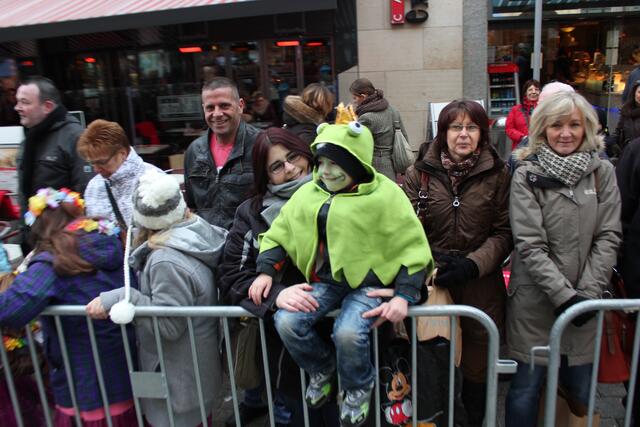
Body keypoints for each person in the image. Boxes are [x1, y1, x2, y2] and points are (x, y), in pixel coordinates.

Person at [250, 120, 433, 427]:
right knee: (287, 321)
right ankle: (322, 368)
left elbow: (413, 248)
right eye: (320, 162)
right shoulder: (309, 193)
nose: (325, 171)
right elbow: (280, 233)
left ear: (356, 162)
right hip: (327, 281)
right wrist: (266, 271)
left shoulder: (387, 195)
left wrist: (404, 294)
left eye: (335, 163)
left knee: (348, 332)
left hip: (369, 285)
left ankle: (358, 386)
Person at [505, 91, 622, 427]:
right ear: (543, 128)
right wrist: (565, 297)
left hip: (586, 302)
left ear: (587, 127)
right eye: (557, 125)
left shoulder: (602, 172)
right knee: (526, 390)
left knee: (580, 392)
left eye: (574, 124)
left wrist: (585, 295)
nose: (566, 133)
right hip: (535, 304)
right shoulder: (526, 174)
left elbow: (608, 235)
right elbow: (529, 243)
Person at [87, 170, 228, 427]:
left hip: (176, 384)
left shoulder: (166, 260)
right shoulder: (195, 234)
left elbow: (169, 325)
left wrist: (124, 297)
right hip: (190, 375)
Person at [219, 127, 339, 427]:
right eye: (276, 166)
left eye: (293, 156)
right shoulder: (252, 213)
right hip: (289, 354)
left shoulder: (344, 191)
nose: (290, 168)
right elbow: (233, 276)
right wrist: (276, 295)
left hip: (348, 340)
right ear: (266, 177)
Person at [403, 99, 512, 426]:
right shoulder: (418, 174)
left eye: (471, 127)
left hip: (481, 287)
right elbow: (405, 231)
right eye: (455, 127)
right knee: (435, 369)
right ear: (443, 132)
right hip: (434, 286)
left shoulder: (499, 174)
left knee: (477, 373)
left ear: (482, 134)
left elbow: (504, 232)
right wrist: (432, 262)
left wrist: (472, 264)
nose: (463, 134)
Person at [0, 187, 135, 426]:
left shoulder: (55, 259)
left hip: (85, 379)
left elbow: (11, 309)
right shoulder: (112, 242)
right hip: (124, 368)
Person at [183, 77, 260, 229]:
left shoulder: (261, 145)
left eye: (224, 105)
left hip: (250, 240)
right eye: (210, 108)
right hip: (207, 240)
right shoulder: (194, 151)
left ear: (240, 106)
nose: (217, 114)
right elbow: (192, 205)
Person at [14, 76, 94, 216]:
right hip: (33, 227)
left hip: (65, 228)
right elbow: (24, 195)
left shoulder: (75, 137)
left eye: (24, 102)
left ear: (48, 106)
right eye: (17, 101)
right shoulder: (30, 138)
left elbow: (87, 192)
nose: (17, 108)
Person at [77, 119, 161, 228]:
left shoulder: (155, 180)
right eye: (92, 163)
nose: (96, 169)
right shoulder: (94, 186)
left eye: (102, 162)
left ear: (122, 154)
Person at [350, 78, 410, 180]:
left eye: (355, 98)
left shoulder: (366, 118)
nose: (354, 101)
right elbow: (404, 136)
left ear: (363, 96)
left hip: (376, 166)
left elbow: (356, 144)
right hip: (393, 163)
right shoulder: (393, 110)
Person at [606, 79, 640, 160]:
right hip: (625, 153)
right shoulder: (626, 110)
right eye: (639, 92)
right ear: (634, 93)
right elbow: (618, 132)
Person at [505, 79, 540, 150]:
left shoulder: (544, 109)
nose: (534, 92)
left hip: (540, 147)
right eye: (530, 90)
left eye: (536, 89)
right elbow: (509, 129)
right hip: (521, 148)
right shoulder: (515, 110)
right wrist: (522, 138)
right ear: (525, 93)